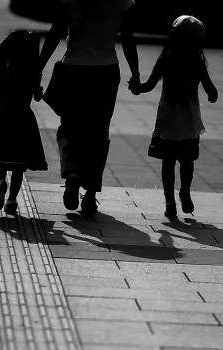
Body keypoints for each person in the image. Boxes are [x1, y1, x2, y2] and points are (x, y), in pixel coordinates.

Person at [38, 0, 140, 217]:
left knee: (70, 127)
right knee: (98, 132)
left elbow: (56, 32)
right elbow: (128, 38)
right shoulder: (123, 2)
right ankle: (91, 193)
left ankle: (72, 171)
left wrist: (38, 68)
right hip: (106, 71)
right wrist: (136, 74)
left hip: (74, 69)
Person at [129, 15, 218, 220]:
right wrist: (212, 95)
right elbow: (210, 87)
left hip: (168, 119)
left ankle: (170, 200)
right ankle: (183, 192)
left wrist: (136, 87)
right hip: (188, 120)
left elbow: (148, 86)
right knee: (187, 160)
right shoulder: (197, 61)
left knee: (168, 161)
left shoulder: (166, 58)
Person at [0, 29, 48, 216]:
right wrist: (38, 87)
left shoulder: (2, 69)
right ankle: (11, 201)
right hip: (24, 119)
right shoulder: (32, 72)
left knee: (0, 161)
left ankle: (0, 183)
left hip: (4, 117)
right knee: (19, 165)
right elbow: (37, 97)